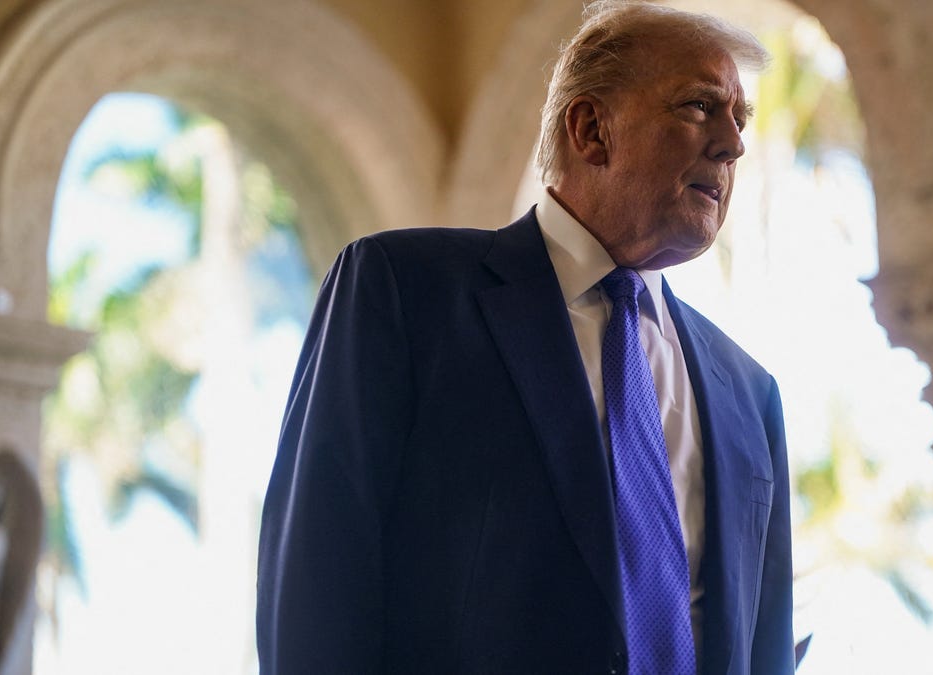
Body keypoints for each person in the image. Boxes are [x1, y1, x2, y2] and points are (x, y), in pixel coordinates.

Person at [256, 2, 796, 673]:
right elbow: (319, 581)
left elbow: (763, 645)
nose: (733, 143)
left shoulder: (750, 391)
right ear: (591, 128)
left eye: (738, 118)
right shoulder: (404, 291)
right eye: (697, 107)